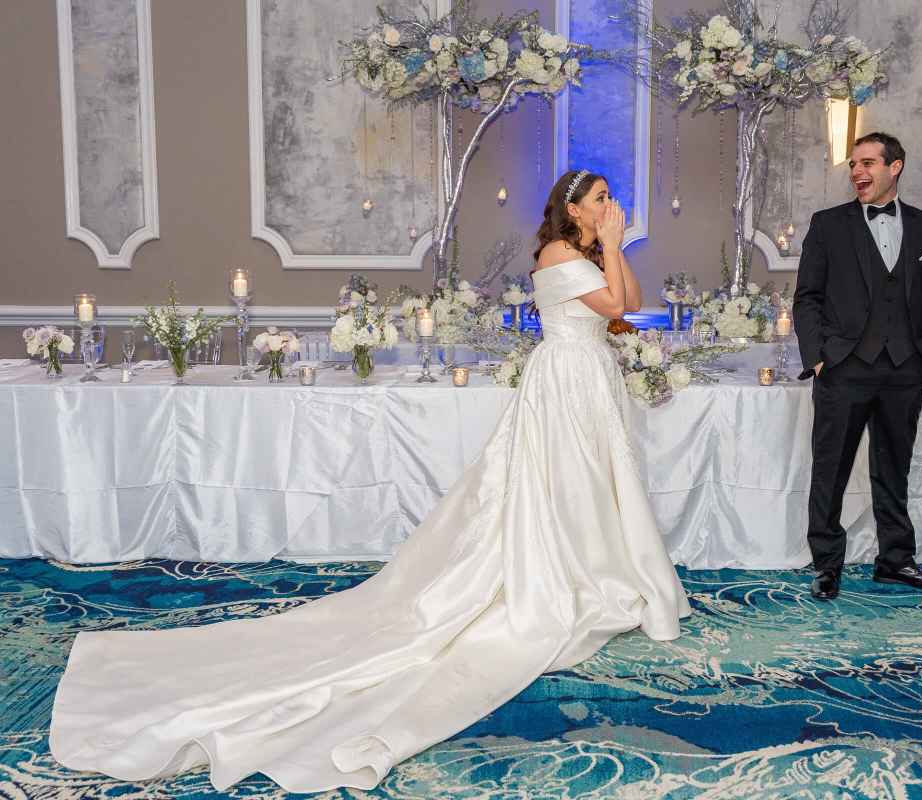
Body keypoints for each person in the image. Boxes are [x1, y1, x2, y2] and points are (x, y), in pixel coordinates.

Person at [48, 169, 690, 793]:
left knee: (594, 482)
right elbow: (610, 303)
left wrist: (615, 244)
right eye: (602, 198)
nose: (611, 204)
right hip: (566, 380)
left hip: (591, 377)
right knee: (564, 481)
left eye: (611, 197)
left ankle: (594, 569)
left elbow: (630, 304)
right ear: (573, 210)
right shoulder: (555, 250)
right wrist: (613, 242)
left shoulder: (589, 248)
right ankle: (562, 576)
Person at [792, 132, 922, 601]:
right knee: (831, 470)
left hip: (906, 369)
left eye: (867, 163)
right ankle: (826, 566)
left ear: (894, 167)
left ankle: (896, 561)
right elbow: (807, 298)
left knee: (894, 469)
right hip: (843, 368)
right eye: (853, 165)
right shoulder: (828, 225)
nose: (857, 173)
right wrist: (818, 358)